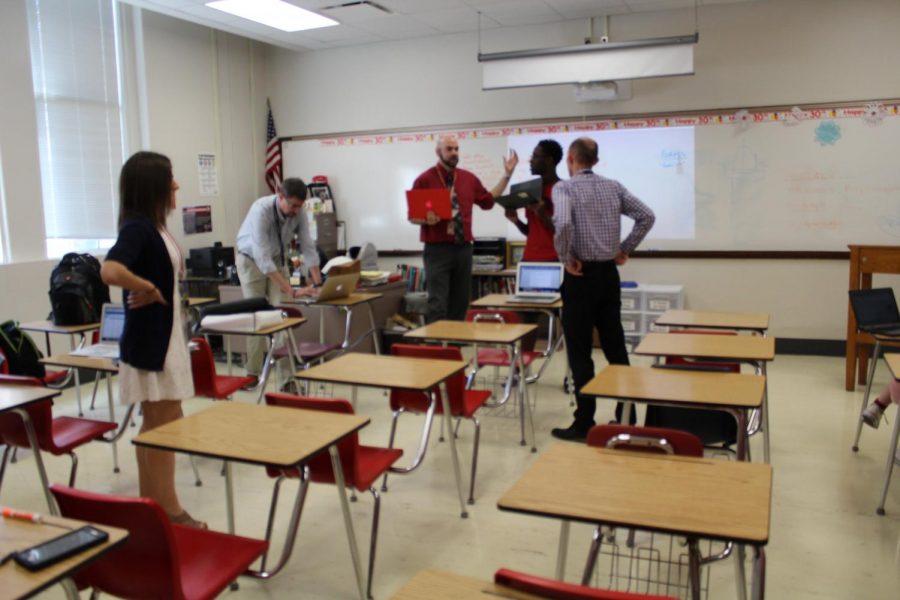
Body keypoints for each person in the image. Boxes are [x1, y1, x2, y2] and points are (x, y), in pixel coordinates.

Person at [101, 151, 204, 528]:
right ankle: (171, 513)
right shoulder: (139, 227)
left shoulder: (154, 226)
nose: (176, 185)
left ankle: (152, 508)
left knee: (162, 424)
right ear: (153, 187)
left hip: (165, 339)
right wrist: (145, 286)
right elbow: (110, 270)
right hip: (152, 345)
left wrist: (155, 285)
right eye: (170, 178)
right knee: (163, 429)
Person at [551, 137, 656, 442]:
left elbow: (564, 225)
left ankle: (585, 422)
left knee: (581, 353)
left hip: (580, 275)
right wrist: (624, 249)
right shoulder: (614, 186)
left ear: (570, 158)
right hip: (608, 276)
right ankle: (627, 417)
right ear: (595, 161)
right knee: (615, 346)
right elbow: (647, 215)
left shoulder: (564, 188)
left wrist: (565, 258)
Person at [410, 135, 518, 322]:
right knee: (438, 303)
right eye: (449, 149)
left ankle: (455, 346)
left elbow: (488, 201)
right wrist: (426, 220)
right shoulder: (424, 180)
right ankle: (436, 347)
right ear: (438, 152)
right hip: (437, 249)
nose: (454, 153)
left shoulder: (468, 178)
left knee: (460, 303)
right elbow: (413, 217)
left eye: (456, 149)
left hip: (463, 248)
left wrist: (507, 176)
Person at [235, 178, 322, 378]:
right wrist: (291, 290)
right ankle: (252, 373)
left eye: (299, 207)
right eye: (292, 205)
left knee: (281, 316)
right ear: (279, 196)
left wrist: (318, 284)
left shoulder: (298, 212)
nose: (295, 211)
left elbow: (308, 247)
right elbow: (263, 260)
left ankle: (286, 379)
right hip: (250, 260)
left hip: (276, 258)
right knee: (256, 315)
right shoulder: (261, 210)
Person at [505, 139, 563, 263]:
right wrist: (516, 221)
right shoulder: (531, 189)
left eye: (536, 156)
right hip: (529, 259)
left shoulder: (563, 189)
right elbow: (530, 231)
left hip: (554, 259)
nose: (531, 160)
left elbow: (563, 233)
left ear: (549, 160)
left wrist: (542, 214)